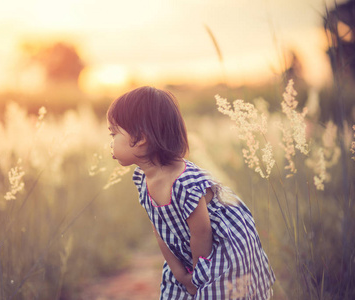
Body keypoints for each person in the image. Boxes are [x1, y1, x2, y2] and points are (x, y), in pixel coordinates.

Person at [107, 86, 275, 299]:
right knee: (177, 289)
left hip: (222, 249)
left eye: (113, 134)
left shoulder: (184, 183)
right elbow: (160, 230)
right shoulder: (142, 178)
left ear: (140, 137)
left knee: (215, 292)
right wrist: (180, 274)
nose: (110, 143)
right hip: (192, 251)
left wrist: (196, 277)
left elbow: (202, 233)